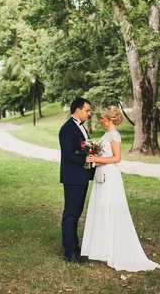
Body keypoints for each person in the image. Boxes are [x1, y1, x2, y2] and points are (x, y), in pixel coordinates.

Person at [81, 106, 160, 272]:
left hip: (110, 176)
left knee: (109, 207)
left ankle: (113, 248)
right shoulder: (107, 134)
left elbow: (117, 158)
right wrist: (96, 161)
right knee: (102, 208)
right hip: (102, 172)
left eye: (103, 118)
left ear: (110, 119)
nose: (101, 120)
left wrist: (97, 158)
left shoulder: (114, 135)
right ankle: (102, 248)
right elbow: (106, 156)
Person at [59, 97, 95, 264]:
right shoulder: (67, 129)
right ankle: (70, 252)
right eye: (87, 110)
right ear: (77, 110)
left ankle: (75, 246)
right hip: (73, 177)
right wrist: (86, 160)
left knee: (76, 213)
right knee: (71, 214)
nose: (89, 113)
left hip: (81, 176)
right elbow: (68, 154)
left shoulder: (81, 127)